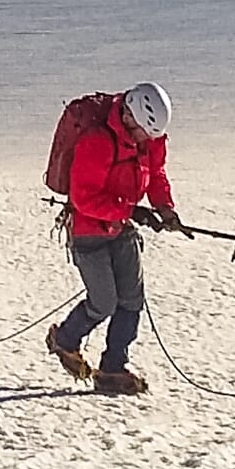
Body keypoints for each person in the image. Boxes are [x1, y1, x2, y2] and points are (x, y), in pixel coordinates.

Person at [48, 82, 181, 396]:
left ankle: (112, 368)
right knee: (104, 302)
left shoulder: (149, 140)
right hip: (89, 233)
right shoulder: (98, 142)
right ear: (129, 118)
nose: (146, 141)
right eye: (143, 133)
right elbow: (83, 198)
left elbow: (156, 173)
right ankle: (65, 339)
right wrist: (131, 211)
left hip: (121, 229)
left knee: (131, 301)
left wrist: (165, 208)